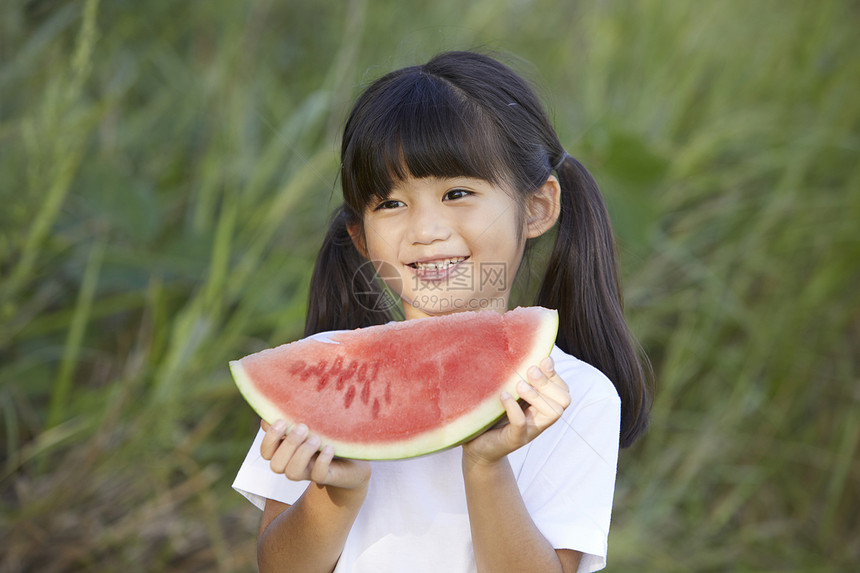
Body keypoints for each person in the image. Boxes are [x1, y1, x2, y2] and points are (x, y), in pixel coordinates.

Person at [233, 51, 651, 573]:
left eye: (457, 193)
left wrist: (485, 466)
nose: (426, 230)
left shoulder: (574, 397)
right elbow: (278, 567)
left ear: (537, 207)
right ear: (359, 236)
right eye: (390, 203)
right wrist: (334, 493)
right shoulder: (324, 374)